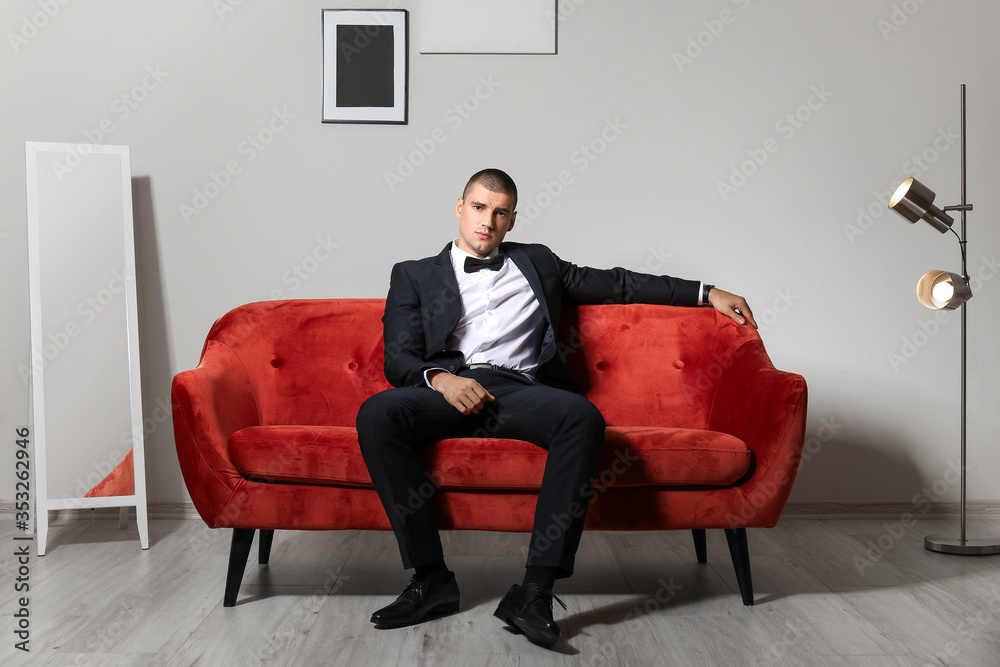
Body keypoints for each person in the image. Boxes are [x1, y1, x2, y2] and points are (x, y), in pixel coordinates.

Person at [356, 168, 755, 647]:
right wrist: (443, 381)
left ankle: (534, 591)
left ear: (512, 220)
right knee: (378, 413)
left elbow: (618, 283)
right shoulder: (413, 273)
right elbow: (398, 356)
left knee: (582, 417)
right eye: (479, 208)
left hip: (519, 388)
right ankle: (430, 578)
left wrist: (706, 292)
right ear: (460, 208)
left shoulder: (538, 263)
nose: (488, 221)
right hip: (446, 387)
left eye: (500, 213)